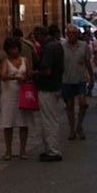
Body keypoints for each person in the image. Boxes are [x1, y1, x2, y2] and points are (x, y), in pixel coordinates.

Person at [0, 37, 32, 159]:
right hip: (9, 96)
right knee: (8, 123)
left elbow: (29, 74)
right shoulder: (5, 62)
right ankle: (8, 150)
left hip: (22, 94)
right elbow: (2, 76)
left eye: (16, 48)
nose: (14, 51)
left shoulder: (24, 60)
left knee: (23, 123)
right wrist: (14, 77)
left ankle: (23, 150)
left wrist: (26, 78)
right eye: (11, 49)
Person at [35, 25, 64, 161]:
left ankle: (53, 151)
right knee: (52, 119)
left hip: (48, 88)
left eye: (37, 37)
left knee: (49, 120)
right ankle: (51, 148)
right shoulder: (57, 45)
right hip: (56, 85)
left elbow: (47, 70)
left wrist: (34, 74)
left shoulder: (48, 48)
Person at [61, 23, 94, 140]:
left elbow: (88, 62)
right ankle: (72, 129)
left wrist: (91, 77)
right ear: (66, 34)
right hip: (67, 80)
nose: (71, 35)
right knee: (69, 106)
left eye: (74, 33)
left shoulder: (84, 46)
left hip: (81, 79)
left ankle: (79, 125)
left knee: (83, 104)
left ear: (77, 34)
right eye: (69, 33)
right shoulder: (62, 47)